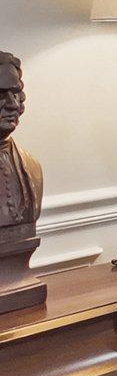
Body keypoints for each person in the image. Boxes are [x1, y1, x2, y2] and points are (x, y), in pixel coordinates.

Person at [0, 51, 46, 313]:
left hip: (22, 287)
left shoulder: (32, 167)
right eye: (0, 94)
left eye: (15, 93)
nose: (11, 104)